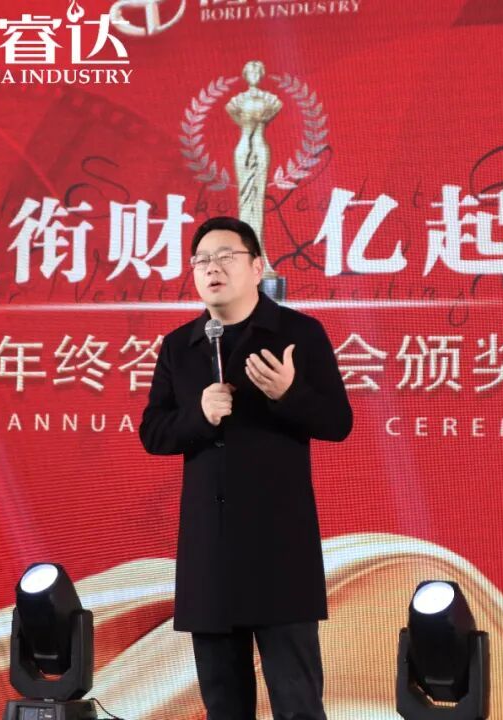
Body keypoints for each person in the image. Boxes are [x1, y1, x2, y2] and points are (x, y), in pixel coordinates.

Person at [139, 216, 353, 720]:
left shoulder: (298, 333)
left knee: (297, 704)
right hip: (209, 554)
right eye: (201, 261)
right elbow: (154, 433)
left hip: (279, 550)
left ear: (257, 267)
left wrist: (288, 394)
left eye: (225, 257)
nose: (212, 269)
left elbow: (338, 422)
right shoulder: (181, 346)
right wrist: (200, 415)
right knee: (223, 705)